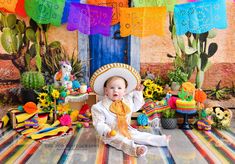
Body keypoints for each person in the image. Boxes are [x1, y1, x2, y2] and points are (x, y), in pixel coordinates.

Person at [90, 63, 170, 157]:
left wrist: (138, 92)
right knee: (122, 141)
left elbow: (137, 106)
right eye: (112, 88)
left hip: (126, 130)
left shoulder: (126, 102)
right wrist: (107, 131)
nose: (115, 90)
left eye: (119, 88)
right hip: (111, 134)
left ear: (124, 91)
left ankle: (161, 140)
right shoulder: (99, 107)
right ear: (106, 90)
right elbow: (99, 123)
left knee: (139, 135)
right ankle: (136, 149)